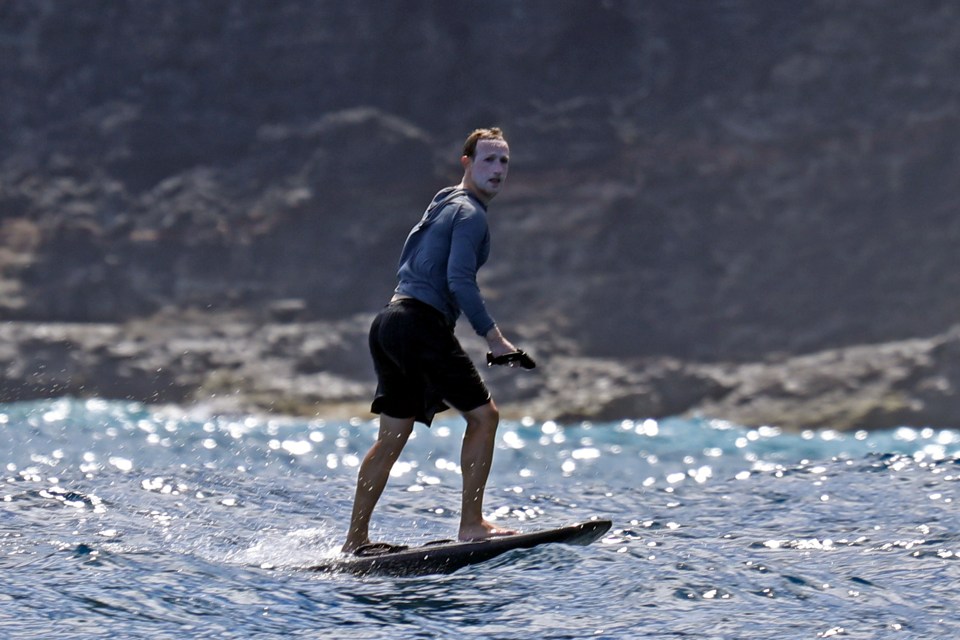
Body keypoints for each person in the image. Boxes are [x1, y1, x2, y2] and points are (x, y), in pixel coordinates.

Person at [342, 127, 532, 554]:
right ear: (466, 163)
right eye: (488, 160)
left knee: (392, 437)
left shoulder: (443, 203)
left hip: (389, 321)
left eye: (504, 161)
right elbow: (459, 281)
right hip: (420, 324)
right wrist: (495, 339)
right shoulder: (471, 215)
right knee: (484, 417)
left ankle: (354, 540)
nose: (498, 170)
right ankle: (472, 524)